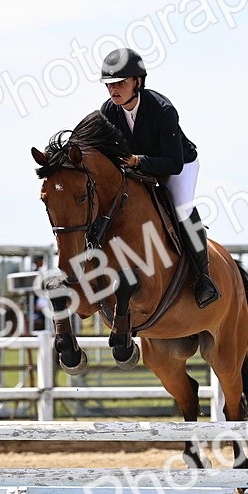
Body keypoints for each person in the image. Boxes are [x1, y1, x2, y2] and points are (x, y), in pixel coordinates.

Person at [98, 48, 219, 308]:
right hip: (137, 169)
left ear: (138, 82)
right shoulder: (108, 111)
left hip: (178, 164)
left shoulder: (163, 110)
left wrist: (138, 161)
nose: (114, 89)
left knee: (182, 208)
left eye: (121, 82)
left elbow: (173, 163)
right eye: (110, 84)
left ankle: (203, 278)